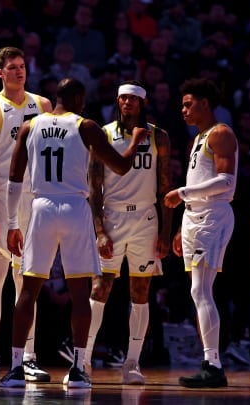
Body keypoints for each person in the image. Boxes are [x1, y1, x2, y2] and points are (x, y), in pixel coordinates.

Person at [0, 77, 147, 389]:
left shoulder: (31, 125)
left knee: (28, 291)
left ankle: (14, 368)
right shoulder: (85, 125)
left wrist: (13, 223)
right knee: (80, 292)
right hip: (74, 207)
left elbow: (14, 178)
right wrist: (135, 141)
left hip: (40, 207)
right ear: (79, 98)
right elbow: (120, 166)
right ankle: (79, 368)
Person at [84, 80, 172, 384]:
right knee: (99, 289)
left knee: (140, 292)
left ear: (143, 103)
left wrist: (164, 231)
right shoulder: (105, 134)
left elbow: (165, 188)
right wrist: (99, 229)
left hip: (146, 218)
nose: (127, 103)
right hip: (112, 217)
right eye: (122, 98)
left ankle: (132, 363)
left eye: (132, 99)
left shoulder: (159, 136)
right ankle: (83, 362)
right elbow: (94, 186)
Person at [0, 46, 52, 383]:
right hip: (2, 199)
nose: (19, 72)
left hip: (33, 200)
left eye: (23, 66)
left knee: (29, 281)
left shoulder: (44, 105)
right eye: (12, 68)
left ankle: (28, 356)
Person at [164, 78, 238, 389]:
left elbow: (226, 183)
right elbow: (199, 182)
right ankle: (210, 362)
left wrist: (181, 192)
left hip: (214, 214)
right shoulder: (197, 139)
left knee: (201, 291)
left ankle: (214, 364)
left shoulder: (221, 133)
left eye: (188, 103)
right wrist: (182, 224)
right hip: (196, 217)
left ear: (205, 103)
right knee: (198, 293)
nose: (183, 109)